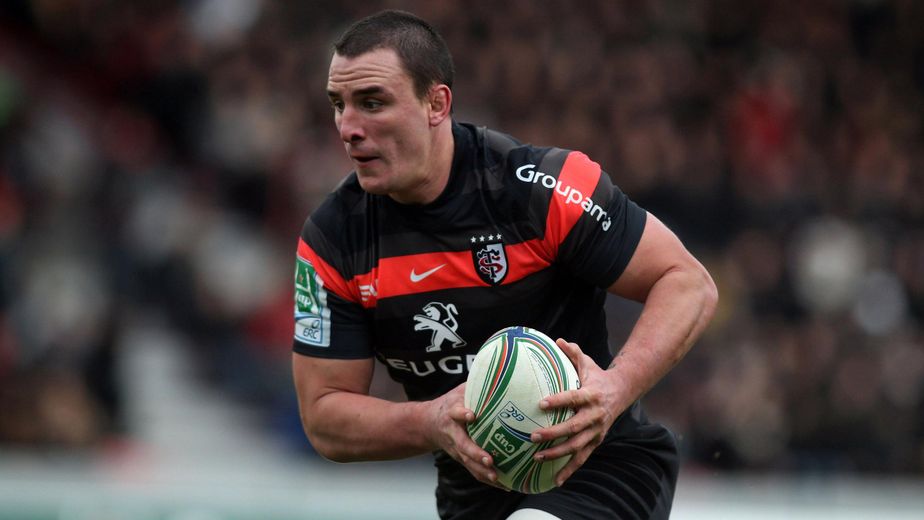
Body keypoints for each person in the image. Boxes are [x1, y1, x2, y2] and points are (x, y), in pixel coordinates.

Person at [291, 9, 717, 520]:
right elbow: (324, 417)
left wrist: (614, 388)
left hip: (602, 471)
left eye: (372, 103)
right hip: (473, 495)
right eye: (338, 105)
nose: (348, 128)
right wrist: (431, 420)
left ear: (436, 103)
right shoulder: (332, 241)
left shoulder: (539, 190)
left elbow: (687, 282)